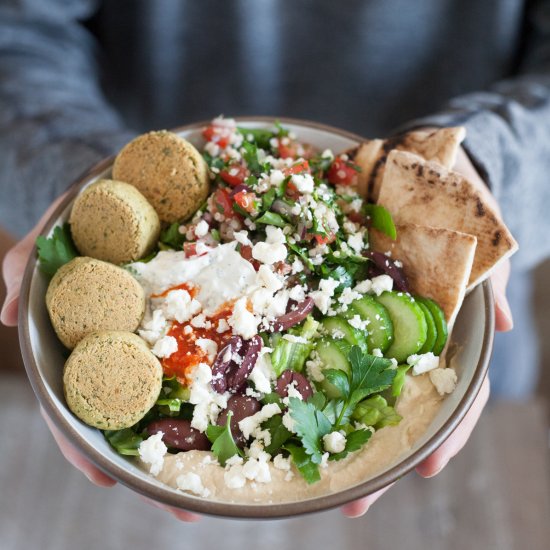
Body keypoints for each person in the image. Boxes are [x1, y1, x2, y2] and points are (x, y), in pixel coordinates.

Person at [0, 0, 546, 521]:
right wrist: (71, 173)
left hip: (496, 424)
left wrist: (486, 168)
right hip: (128, 150)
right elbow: (16, 37)